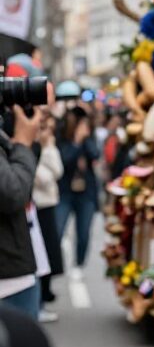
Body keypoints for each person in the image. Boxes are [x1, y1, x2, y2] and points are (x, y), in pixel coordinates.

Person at [0, 103, 42, 347]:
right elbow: (13, 191)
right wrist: (23, 143)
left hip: (12, 258)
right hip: (7, 263)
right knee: (14, 342)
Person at [56, 110, 100, 275]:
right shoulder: (63, 140)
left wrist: (85, 138)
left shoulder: (89, 140)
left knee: (84, 233)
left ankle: (79, 264)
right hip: (65, 192)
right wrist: (76, 141)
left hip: (85, 193)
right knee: (58, 229)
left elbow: (95, 154)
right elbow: (64, 161)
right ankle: (56, 264)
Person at [32, 112, 63, 323]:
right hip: (36, 208)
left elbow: (58, 172)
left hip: (49, 205)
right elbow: (41, 179)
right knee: (37, 258)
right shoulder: (29, 149)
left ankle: (44, 297)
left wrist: (49, 147)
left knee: (48, 256)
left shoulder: (47, 148)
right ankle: (39, 303)